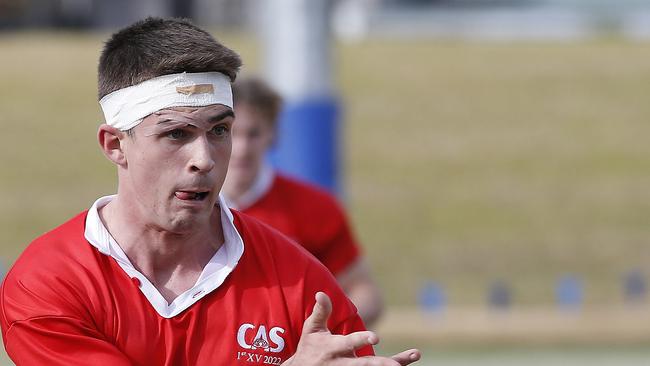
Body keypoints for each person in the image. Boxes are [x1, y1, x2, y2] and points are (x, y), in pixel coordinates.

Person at [0, 18, 420, 365]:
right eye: (176, 133)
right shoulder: (48, 283)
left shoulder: (299, 281)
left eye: (219, 130)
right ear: (115, 145)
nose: (205, 157)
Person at [223, 76, 383, 327]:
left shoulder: (315, 207)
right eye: (230, 132)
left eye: (253, 133)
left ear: (273, 134)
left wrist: (319, 333)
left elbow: (365, 293)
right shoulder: (187, 205)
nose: (242, 147)